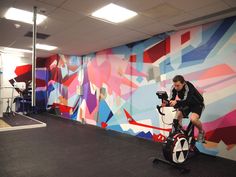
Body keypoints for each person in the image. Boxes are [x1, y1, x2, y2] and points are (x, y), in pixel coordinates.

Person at [169, 75, 205, 143]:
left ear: (183, 83)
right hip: (186, 104)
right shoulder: (173, 87)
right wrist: (167, 103)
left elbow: (186, 100)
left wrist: (176, 102)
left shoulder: (188, 86)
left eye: (178, 85)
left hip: (197, 104)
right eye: (174, 85)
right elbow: (171, 99)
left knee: (193, 119)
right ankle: (182, 135)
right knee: (177, 119)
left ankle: (201, 131)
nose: (176, 87)